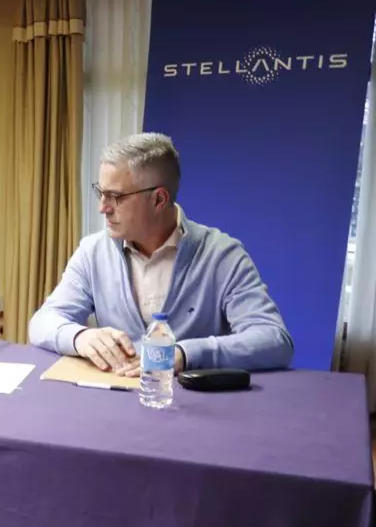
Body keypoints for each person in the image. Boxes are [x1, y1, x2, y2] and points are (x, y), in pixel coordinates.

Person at [28, 132, 293, 374]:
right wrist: (80, 337)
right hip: (113, 400)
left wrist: (185, 354)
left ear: (158, 199)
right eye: (101, 193)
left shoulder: (222, 256)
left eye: (115, 196)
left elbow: (274, 340)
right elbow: (42, 322)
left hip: (191, 404)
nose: (103, 207)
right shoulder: (93, 251)